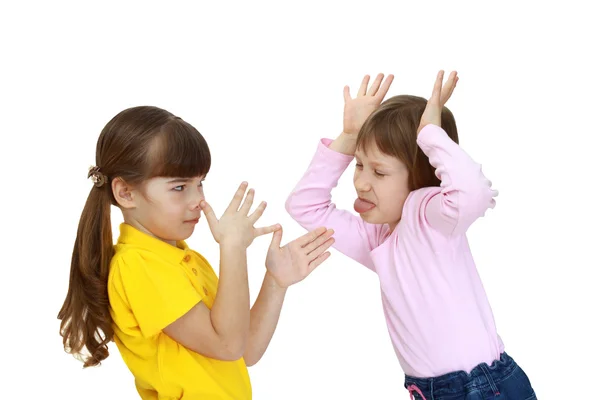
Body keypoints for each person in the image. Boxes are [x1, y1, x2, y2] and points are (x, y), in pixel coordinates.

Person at [285, 71, 536, 399]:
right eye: (358, 165)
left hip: (481, 388)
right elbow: (305, 205)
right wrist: (348, 136)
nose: (361, 182)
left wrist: (431, 135)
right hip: (430, 391)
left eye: (379, 171)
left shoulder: (428, 215)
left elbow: (472, 193)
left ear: (421, 175)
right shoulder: (378, 238)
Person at [58, 105, 335, 399]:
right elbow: (228, 345)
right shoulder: (137, 265)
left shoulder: (183, 259)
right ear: (126, 193)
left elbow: (244, 349)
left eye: (199, 183)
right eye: (179, 187)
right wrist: (232, 249)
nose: (198, 201)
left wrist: (276, 281)